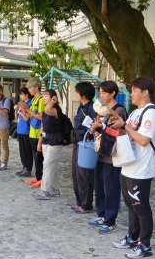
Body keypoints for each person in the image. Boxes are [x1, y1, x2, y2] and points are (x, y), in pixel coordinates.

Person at [111, 77, 155, 259]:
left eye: (134, 90)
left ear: (145, 92)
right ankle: (132, 237)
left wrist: (125, 126)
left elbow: (143, 140)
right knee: (131, 205)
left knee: (141, 207)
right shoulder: (134, 113)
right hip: (128, 165)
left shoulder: (151, 113)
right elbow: (128, 134)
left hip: (141, 169)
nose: (131, 94)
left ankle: (145, 245)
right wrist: (118, 126)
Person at [88, 81, 127, 234]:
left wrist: (101, 127)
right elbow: (101, 132)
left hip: (112, 156)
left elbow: (117, 132)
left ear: (113, 93)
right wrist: (95, 129)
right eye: (100, 93)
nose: (101, 95)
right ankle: (102, 214)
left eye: (104, 92)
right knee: (99, 187)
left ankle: (110, 219)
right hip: (101, 153)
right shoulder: (102, 111)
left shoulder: (119, 110)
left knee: (111, 188)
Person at [71, 82, 97, 214]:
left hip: (86, 145)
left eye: (77, 92)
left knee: (84, 174)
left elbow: (93, 127)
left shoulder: (92, 108)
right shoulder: (81, 107)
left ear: (83, 94)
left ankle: (86, 204)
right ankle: (79, 202)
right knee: (75, 174)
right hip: (77, 143)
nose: (76, 94)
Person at [35, 89, 65, 200]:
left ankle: (45, 190)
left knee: (48, 166)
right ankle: (54, 189)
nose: (44, 98)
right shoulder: (45, 110)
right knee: (52, 167)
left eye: (46, 96)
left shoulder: (55, 110)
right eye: (43, 96)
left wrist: (53, 101)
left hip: (55, 142)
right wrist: (40, 142)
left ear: (53, 97)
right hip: (46, 140)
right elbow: (43, 127)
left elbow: (48, 109)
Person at [24, 78, 45, 188]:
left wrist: (28, 110)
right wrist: (24, 110)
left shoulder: (41, 100)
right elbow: (30, 116)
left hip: (38, 133)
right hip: (32, 131)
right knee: (35, 156)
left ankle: (41, 179)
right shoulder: (33, 100)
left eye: (30, 87)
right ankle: (37, 177)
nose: (29, 90)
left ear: (37, 87)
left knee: (39, 157)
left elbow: (41, 116)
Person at [15, 87, 33, 177]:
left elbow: (27, 118)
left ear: (26, 95)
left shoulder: (30, 103)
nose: (20, 96)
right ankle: (24, 167)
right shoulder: (22, 103)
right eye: (20, 94)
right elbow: (16, 118)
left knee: (27, 151)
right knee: (22, 151)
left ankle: (28, 169)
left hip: (26, 130)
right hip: (20, 130)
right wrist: (16, 110)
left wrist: (22, 111)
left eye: (22, 94)